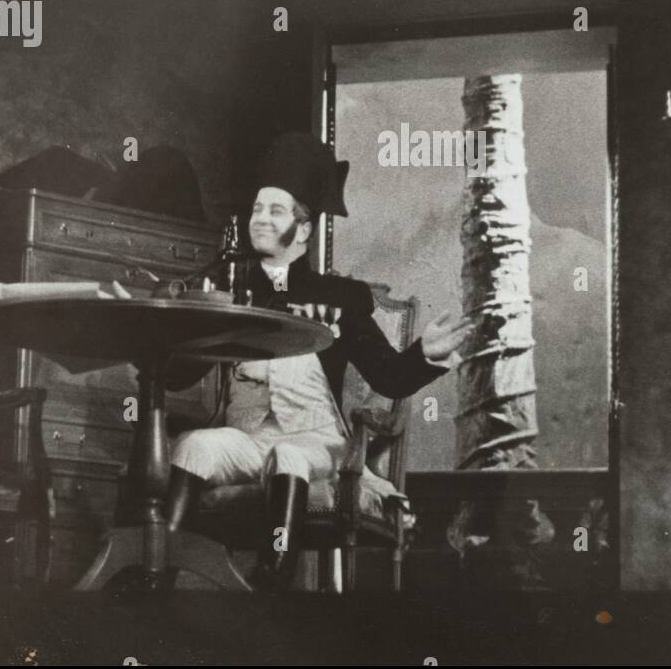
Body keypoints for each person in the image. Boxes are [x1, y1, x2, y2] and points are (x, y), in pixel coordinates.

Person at [165, 132, 473, 590]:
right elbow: (181, 372)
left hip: (315, 442)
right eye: (256, 209)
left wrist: (423, 355)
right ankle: (162, 571)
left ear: (304, 229)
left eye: (275, 210)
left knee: (288, 454)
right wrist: (159, 338)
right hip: (247, 437)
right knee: (193, 444)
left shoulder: (340, 297)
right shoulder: (231, 288)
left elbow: (387, 378)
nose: (260, 220)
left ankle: (273, 581)